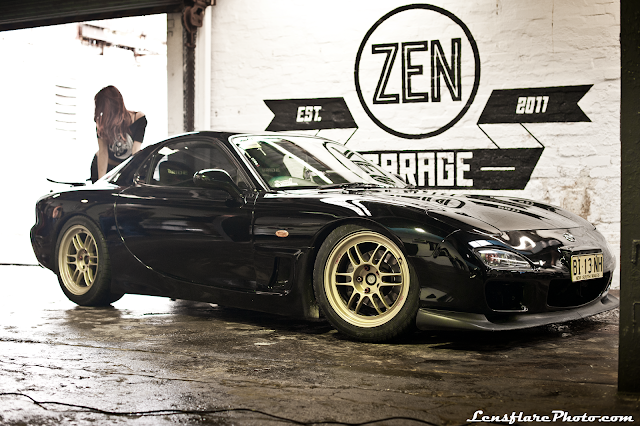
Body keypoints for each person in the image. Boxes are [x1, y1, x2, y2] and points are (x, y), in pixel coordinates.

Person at [90, 86, 147, 182]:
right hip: (105, 165)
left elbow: (135, 151)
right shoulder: (102, 123)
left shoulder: (138, 119)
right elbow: (103, 152)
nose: (102, 114)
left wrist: (136, 175)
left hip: (125, 167)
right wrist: (100, 181)